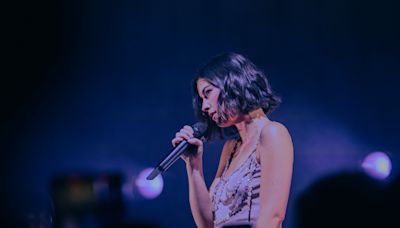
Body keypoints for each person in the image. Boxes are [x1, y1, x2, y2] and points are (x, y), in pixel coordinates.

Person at [171, 53, 293, 228]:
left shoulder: (272, 133)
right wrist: (193, 164)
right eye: (202, 99)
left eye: (208, 93)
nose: (204, 107)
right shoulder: (232, 148)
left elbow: (273, 216)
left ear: (233, 82)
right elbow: (207, 224)